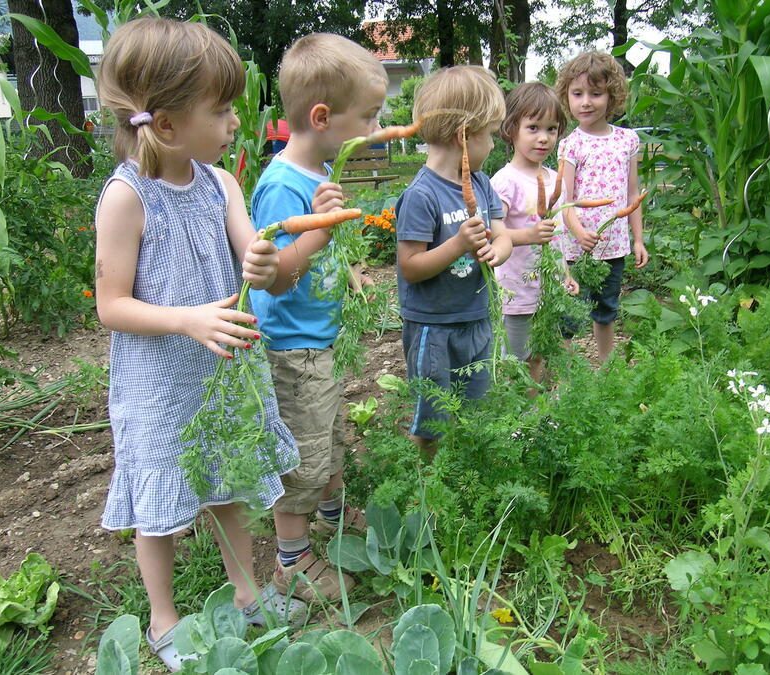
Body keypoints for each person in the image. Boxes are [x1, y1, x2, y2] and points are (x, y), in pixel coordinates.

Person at [94, 18, 303, 672]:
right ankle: (164, 616)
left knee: (226, 486)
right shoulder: (127, 198)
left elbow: (253, 258)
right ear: (165, 125)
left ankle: (245, 593)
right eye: (221, 109)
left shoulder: (222, 184)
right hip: (160, 381)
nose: (235, 120)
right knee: (159, 508)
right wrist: (188, 319)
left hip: (221, 371)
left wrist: (266, 260)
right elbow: (111, 304)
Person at [249, 33, 386, 604]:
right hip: (290, 347)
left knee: (330, 442)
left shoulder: (318, 177)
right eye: (370, 118)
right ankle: (293, 561)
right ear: (323, 117)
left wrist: (347, 267)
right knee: (303, 458)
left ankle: (330, 521)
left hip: (319, 341)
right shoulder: (282, 186)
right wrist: (321, 233)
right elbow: (275, 275)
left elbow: (322, 252)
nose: (378, 132)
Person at [395, 66, 513, 458]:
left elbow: (502, 233)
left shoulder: (480, 182)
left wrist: (500, 250)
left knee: (476, 408)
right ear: (463, 135)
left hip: (475, 318)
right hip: (434, 326)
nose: (494, 146)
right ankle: (427, 485)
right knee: (431, 421)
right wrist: (459, 244)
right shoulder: (421, 196)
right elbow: (411, 266)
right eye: (491, 135)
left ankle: (465, 476)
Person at [555, 51, 649, 363]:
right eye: (577, 94)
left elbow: (632, 193)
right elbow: (563, 198)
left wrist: (637, 240)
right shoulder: (570, 144)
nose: (586, 102)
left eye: (595, 94)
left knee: (606, 310)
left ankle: (607, 369)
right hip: (577, 247)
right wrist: (578, 231)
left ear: (612, 96)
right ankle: (569, 377)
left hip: (614, 246)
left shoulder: (628, 140)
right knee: (570, 315)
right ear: (566, 96)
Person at [490, 82, 579, 386]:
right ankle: (519, 421)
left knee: (543, 355)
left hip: (549, 291)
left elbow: (559, 238)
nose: (543, 138)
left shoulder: (556, 180)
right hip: (516, 293)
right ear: (511, 128)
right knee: (518, 363)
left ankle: (539, 416)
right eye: (533, 127)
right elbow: (493, 235)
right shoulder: (505, 181)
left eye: (552, 129)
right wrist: (529, 235)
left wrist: (565, 273)